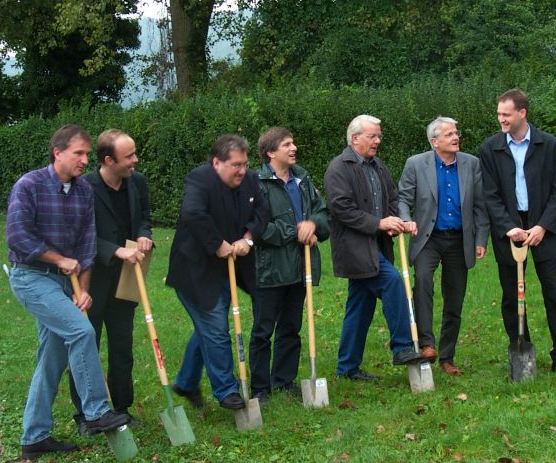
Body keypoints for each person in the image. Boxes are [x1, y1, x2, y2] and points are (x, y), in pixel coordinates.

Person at [6, 125, 131, 460]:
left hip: (68, 282)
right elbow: (18, 237)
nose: (84, 160)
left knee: (52, 359)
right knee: (81, 331)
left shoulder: (82, 191)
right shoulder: (29, 185)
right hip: (31, 278)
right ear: (57, 152)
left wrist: (84, 291)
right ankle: (95, 411)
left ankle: (34, 436)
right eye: (78, 153)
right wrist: (59, 258)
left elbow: (86, 245)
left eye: (87, 154)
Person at [167, 134, 269, 410]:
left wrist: (248, 238)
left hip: (229, 268)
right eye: (235, 165)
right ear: (216, 163)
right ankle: (226, 390)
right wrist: (219, 245)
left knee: (209, 328)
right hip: (194, 271)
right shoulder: (199, 180)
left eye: (244, 164)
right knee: (215, 328)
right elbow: (193, 214)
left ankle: (186, 382)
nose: (241, 170)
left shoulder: (250, 180)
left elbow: (262, 211)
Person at [478, 88, 556, 375]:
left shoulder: (549, 145)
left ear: (522, 113)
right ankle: (520, 350)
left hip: (545, 225)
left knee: (554, 292)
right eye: (498, 114)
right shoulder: (490, 148)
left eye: (506, 114)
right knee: (511, 295)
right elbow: (490, 194)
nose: (501, 120)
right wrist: (508, 227)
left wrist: (543, 225)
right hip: (509, 227)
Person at [324, 114, 423, 381]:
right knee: (392, 282)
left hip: (377, 246)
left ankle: (347, 368)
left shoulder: (378, 166)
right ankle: (402, 347)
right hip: (355, 249)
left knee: (359, 307)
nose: (378, 141)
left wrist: (393, 221)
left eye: (379, 136)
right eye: (373, 136)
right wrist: (378, 223)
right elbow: (341, 208)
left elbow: (392, 196)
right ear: (355, 138)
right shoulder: (339, 168)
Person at [68, 130, 153, 428]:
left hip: (127, 278)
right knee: (85, 346)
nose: (135, 161)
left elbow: (145, 216)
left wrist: (144, 234)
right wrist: (114, 251)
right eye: (128, 156)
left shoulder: (137, 182)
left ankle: (122, 407)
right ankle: (85, 414)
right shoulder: (84, 188)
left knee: (122, 346)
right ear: (108, 160)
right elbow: (80, 233)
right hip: (91, 279)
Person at [398, 117, 490, 376]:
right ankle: (426, 343)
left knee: (455, 297)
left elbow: (481, 206)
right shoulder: (416, 164)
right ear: (434, 141)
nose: (456, 137)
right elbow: (403, 197)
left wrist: (481, 239)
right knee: (423, 281)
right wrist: (406, 220)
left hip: (460, 240)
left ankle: (447, 356)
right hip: (428, 238)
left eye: (456, 133)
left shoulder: (471, 164)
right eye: (449, 134)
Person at [249, 127, 331, 403]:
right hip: (269, 269)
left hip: (300, 266)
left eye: (293, 143)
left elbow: (322, 212)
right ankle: (260, 389)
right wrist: (296, 231)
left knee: (291, 326)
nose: (294, 148)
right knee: (263, 330)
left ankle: (283, 380)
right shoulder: (256, 183)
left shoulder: (303, 179)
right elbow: (257, 227)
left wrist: (314, 225)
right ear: (271, 152)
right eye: (287, 144)